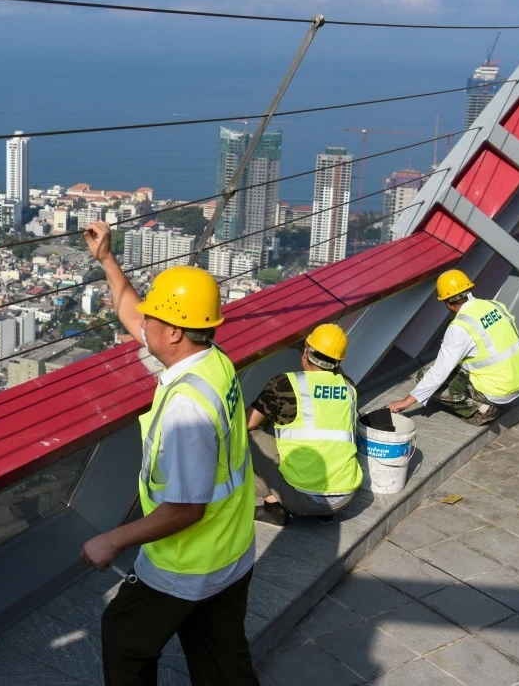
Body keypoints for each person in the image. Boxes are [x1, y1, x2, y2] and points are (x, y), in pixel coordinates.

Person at [79, 220, 258, 686]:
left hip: (187, 563)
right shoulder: (213, 360)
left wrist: (112, 541)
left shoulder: (186, 409)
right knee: (222, 662)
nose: (144, 323)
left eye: (154, 318)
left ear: (175, 332)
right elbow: (133, 315)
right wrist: (107, 260)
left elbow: (185, 509)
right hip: (232, 549)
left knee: (124, 639)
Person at [248, 323, 362, 526]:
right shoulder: (349, 387)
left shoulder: (284, 384)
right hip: (344, 498)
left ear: (305, 353)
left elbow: (248, 423)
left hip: (302, 499)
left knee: (249, 435)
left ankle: (273, 506)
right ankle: (325, 514)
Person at [388, 269, 519, 425]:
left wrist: (407, 401)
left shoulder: (460, 327)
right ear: (468, 290)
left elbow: (440, 371)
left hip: (498, 390)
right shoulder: (495, 305)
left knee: (425, 375)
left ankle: (481, 409)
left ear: (447, 303)